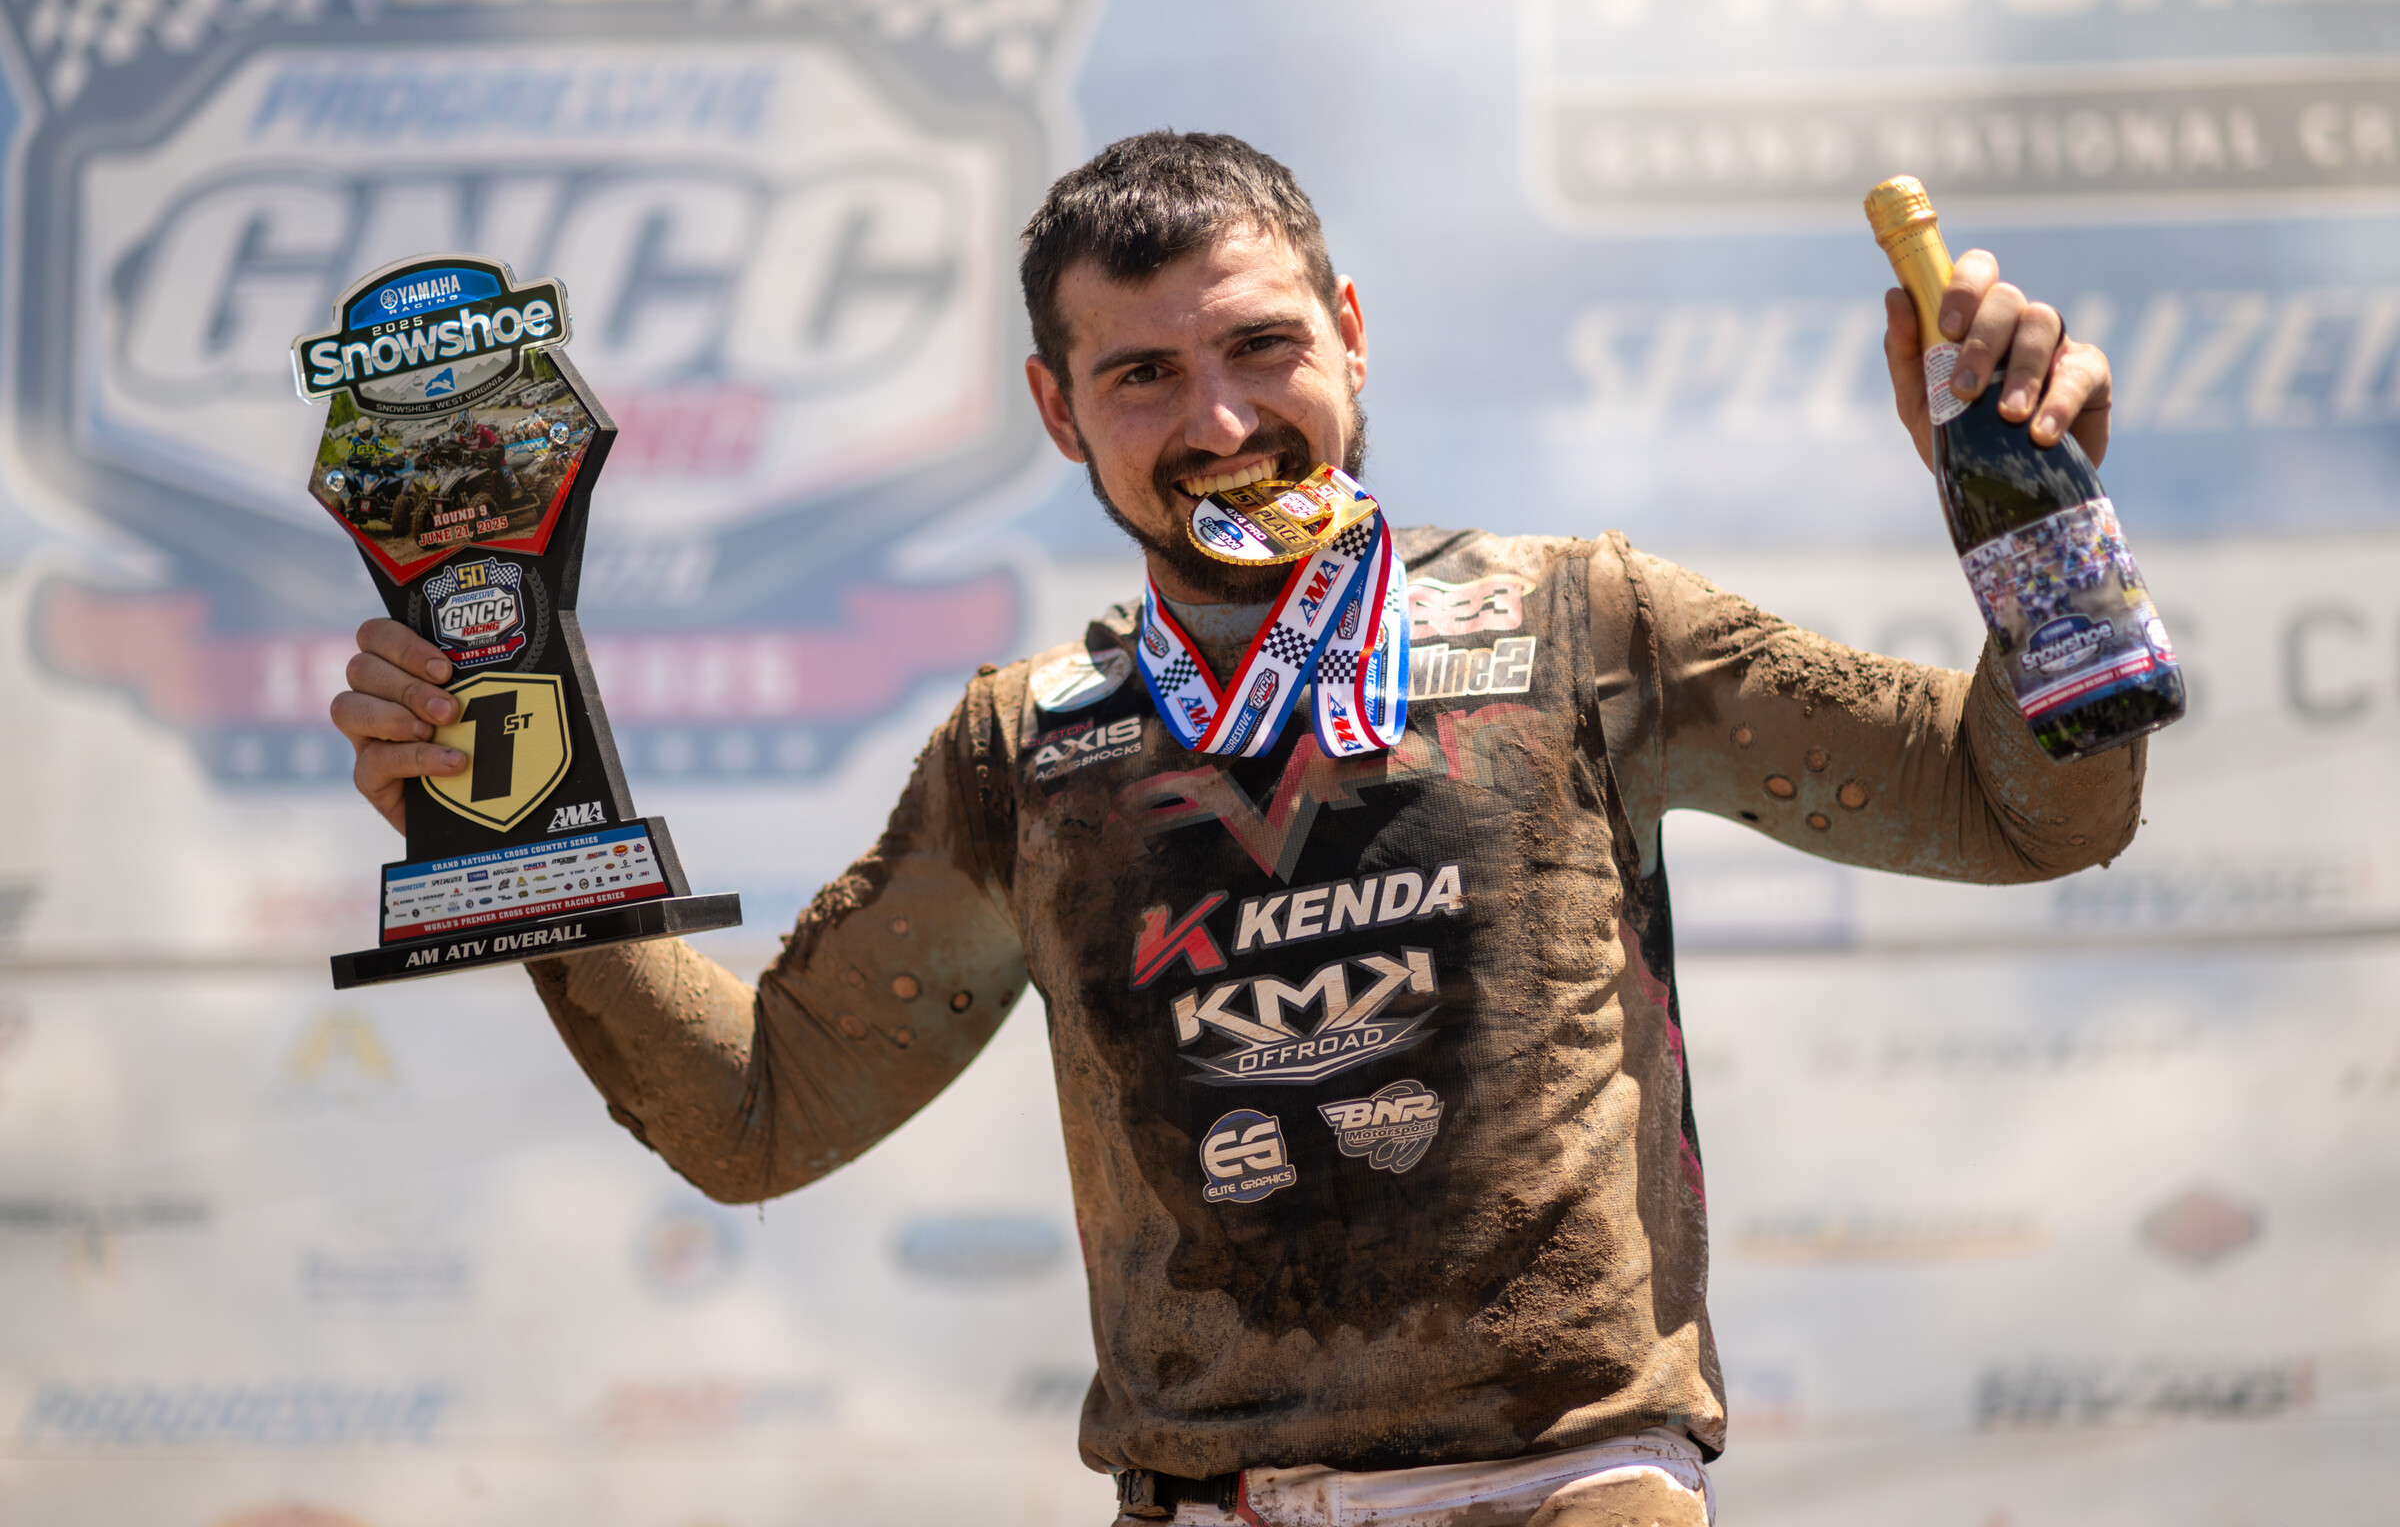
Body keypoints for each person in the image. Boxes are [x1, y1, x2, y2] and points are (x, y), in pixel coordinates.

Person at [330, 132, 2141, 1527]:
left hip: (1574, 1490)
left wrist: (2027, 511)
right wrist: (515, 815)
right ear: (1059, 413)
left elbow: (2025, 811)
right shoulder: (1021, 754)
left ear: (1349, 339)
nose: (1220, 424)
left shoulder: (1586, 626)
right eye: (1140, 379)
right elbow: (756, 1117)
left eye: (1262, 347)